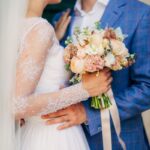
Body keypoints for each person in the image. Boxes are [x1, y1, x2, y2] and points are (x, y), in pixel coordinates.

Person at [44, 0, 150, 149]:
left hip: (118, 141)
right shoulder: (61, 18)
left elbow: (147, 87)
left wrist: (88, 114)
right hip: (66, 139)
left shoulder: (139, 13)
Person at [15, 0, 112, 149]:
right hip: (52, 135)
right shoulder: (40, 29)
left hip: (31, 132)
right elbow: (18, 105)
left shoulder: (13, 28)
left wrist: (55, 41)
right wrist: (85, 89)